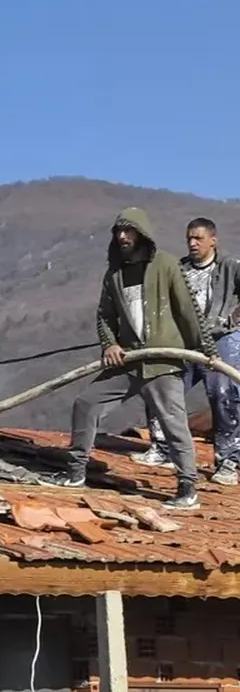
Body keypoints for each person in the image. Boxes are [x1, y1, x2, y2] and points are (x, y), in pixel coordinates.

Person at [49, 206, 216, 510]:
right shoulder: (115, 274)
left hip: (162, 361)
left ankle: (187, 487)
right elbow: (104, 316)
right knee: (86, 404)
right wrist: (109, 344)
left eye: (128, 230)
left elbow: (187, 311)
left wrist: (205, 350)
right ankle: (75, 472)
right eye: (118, 231)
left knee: (173, 422)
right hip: (127, 360)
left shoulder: (165, 265)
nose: (123, 236)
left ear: (141, 233)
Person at [133, 217, 240, 484]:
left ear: (213, 240)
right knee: (161, 386)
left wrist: (235, 316)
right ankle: (163, 448)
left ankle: (228, 461)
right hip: (183, 342)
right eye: (189, 238)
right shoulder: (178, 269)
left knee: (224, 393)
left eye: (198, 238)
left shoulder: (230, 267)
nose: (193, 243)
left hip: (221, 340)